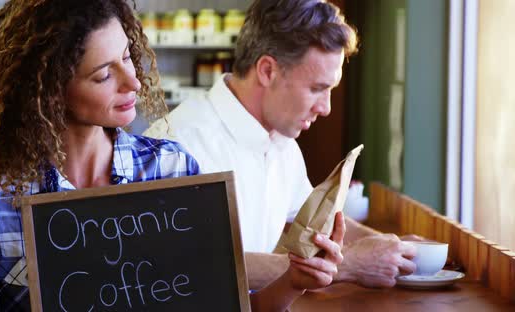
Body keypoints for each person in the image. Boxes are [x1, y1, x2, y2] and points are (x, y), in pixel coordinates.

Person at [0, 1, 344, 311]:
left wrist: (294, 281)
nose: (133, 82)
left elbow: (225, 305)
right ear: (50, 92)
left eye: (128, 56)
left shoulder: (173, 170)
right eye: (104, 74)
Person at [145, 0, 418, 290]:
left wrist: (395, 249)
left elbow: (316, 223)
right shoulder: (177, 145)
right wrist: (347, 264)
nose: (325, 108)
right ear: (266, 71)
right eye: (316, 89)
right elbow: (191, 265)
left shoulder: (282, 141)